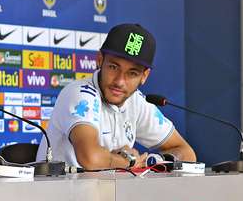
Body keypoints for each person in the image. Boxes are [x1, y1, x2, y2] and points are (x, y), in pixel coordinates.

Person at [37, 23, 195, 169]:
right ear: (100, 60)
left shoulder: (137, 102)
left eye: (132, 73)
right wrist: (129, 161)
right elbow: (90, 158)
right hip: (59, 196)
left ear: (144, 76)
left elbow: (187, 154)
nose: (120, 81)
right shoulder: (80, 94)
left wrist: (154, 161)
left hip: (106, 194)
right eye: (113, 67)